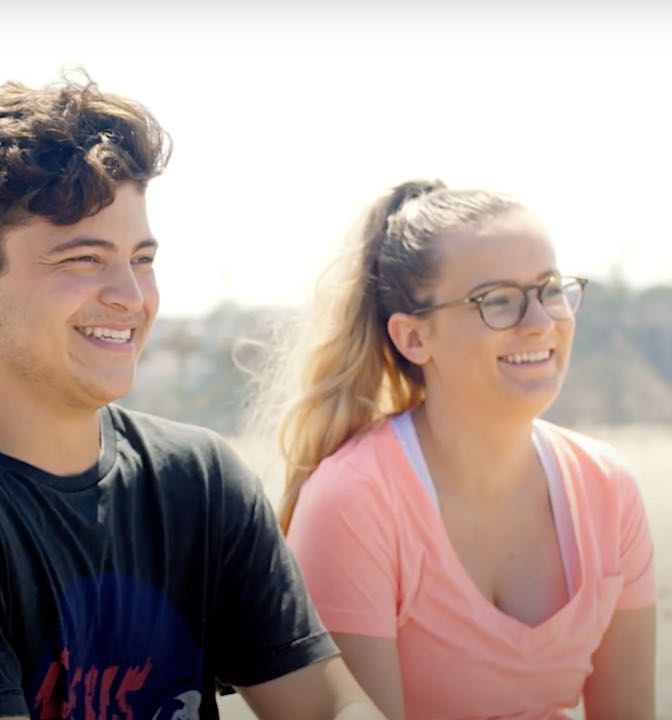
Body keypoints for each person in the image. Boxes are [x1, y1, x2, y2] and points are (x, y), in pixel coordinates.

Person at [0, 75, 383, 720]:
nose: (131, 296)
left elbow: (326, 704)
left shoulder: (199, 478)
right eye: (84, 260)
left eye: (141, 259)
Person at [265, 180, 656, 719]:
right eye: (497, 301)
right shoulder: (355, 502)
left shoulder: (608, 488)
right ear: (413, 338)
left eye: (549, 290)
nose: (540, 323)